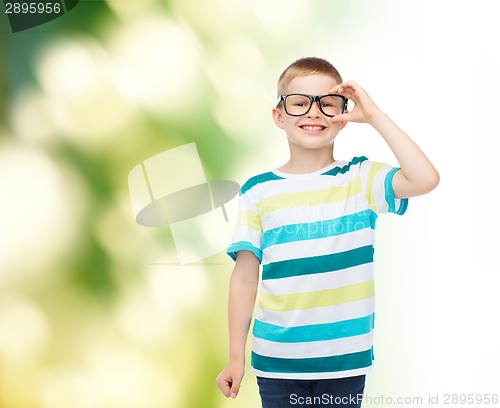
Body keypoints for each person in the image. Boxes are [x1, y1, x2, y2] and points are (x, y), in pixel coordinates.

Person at [215, 57, 439, 407]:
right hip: (278, 362)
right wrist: (235, 356)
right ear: (279, 115)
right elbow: (244, 278)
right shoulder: (257, 191)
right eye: (300, 103)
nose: (314, 113)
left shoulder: (361, 178)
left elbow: (425, 179)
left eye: (328, 104)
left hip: (345, 361)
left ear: (344, 116)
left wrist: (375, 116)